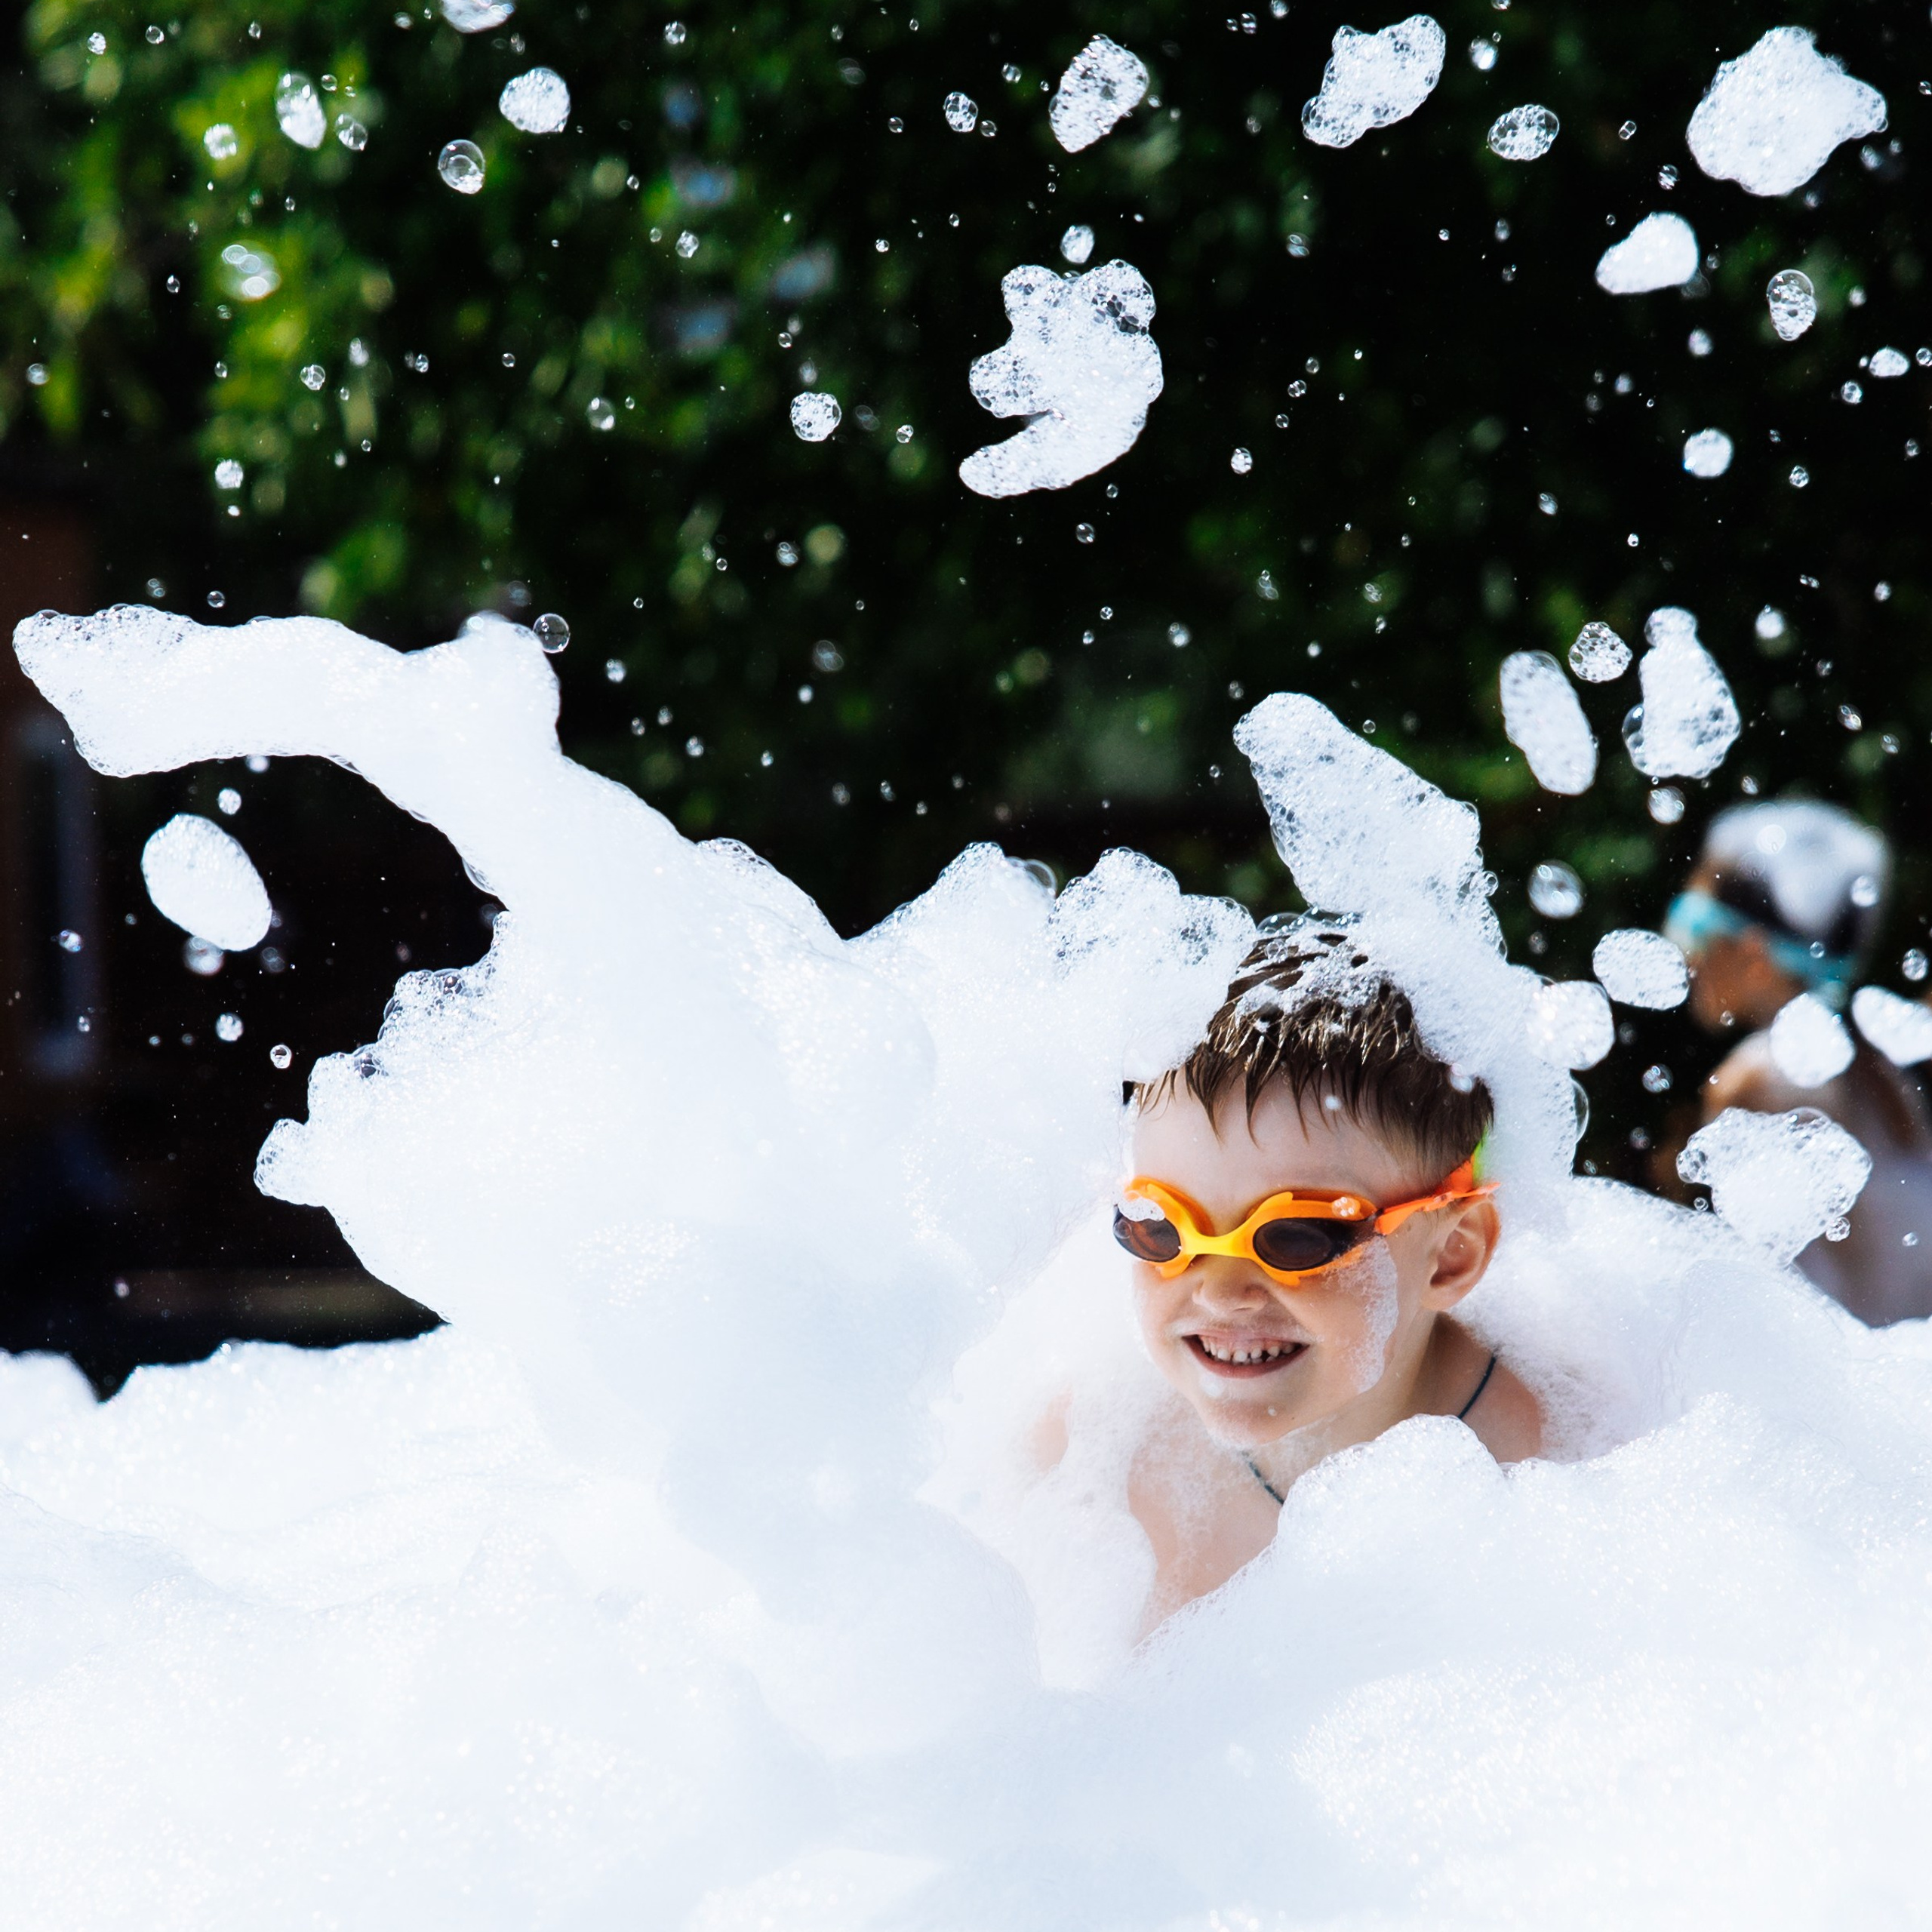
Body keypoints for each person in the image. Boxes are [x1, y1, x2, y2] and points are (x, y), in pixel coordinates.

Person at [1035, 922, 1543, 1634]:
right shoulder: (1090, 1460)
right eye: (1159, 1226)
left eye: (1297, 1235)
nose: (1217, 1290)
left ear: (1451, 1253)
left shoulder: (1551, 1485)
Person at [1663, 799, 1932, 1325]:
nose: (1686, 955)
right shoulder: (1884, 1071)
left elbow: (1754, 1308)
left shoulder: (1757, 1080)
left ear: (1756, 955)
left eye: (1692, 924)